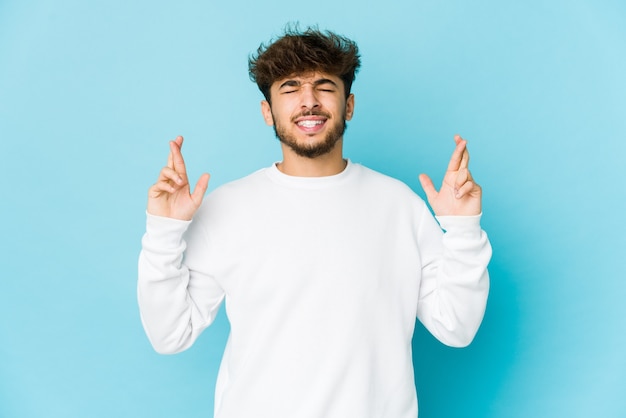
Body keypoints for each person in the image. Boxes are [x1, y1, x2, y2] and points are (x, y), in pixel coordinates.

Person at [138, 26, 491, 418]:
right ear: (267, 111)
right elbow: (170, 334)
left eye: (324, 86)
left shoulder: (399, 206)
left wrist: (462, 230)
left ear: (349, 105)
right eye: (290, 88)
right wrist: (163, 233)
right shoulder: (228, 207)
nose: (309, 102)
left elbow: (457, 327)